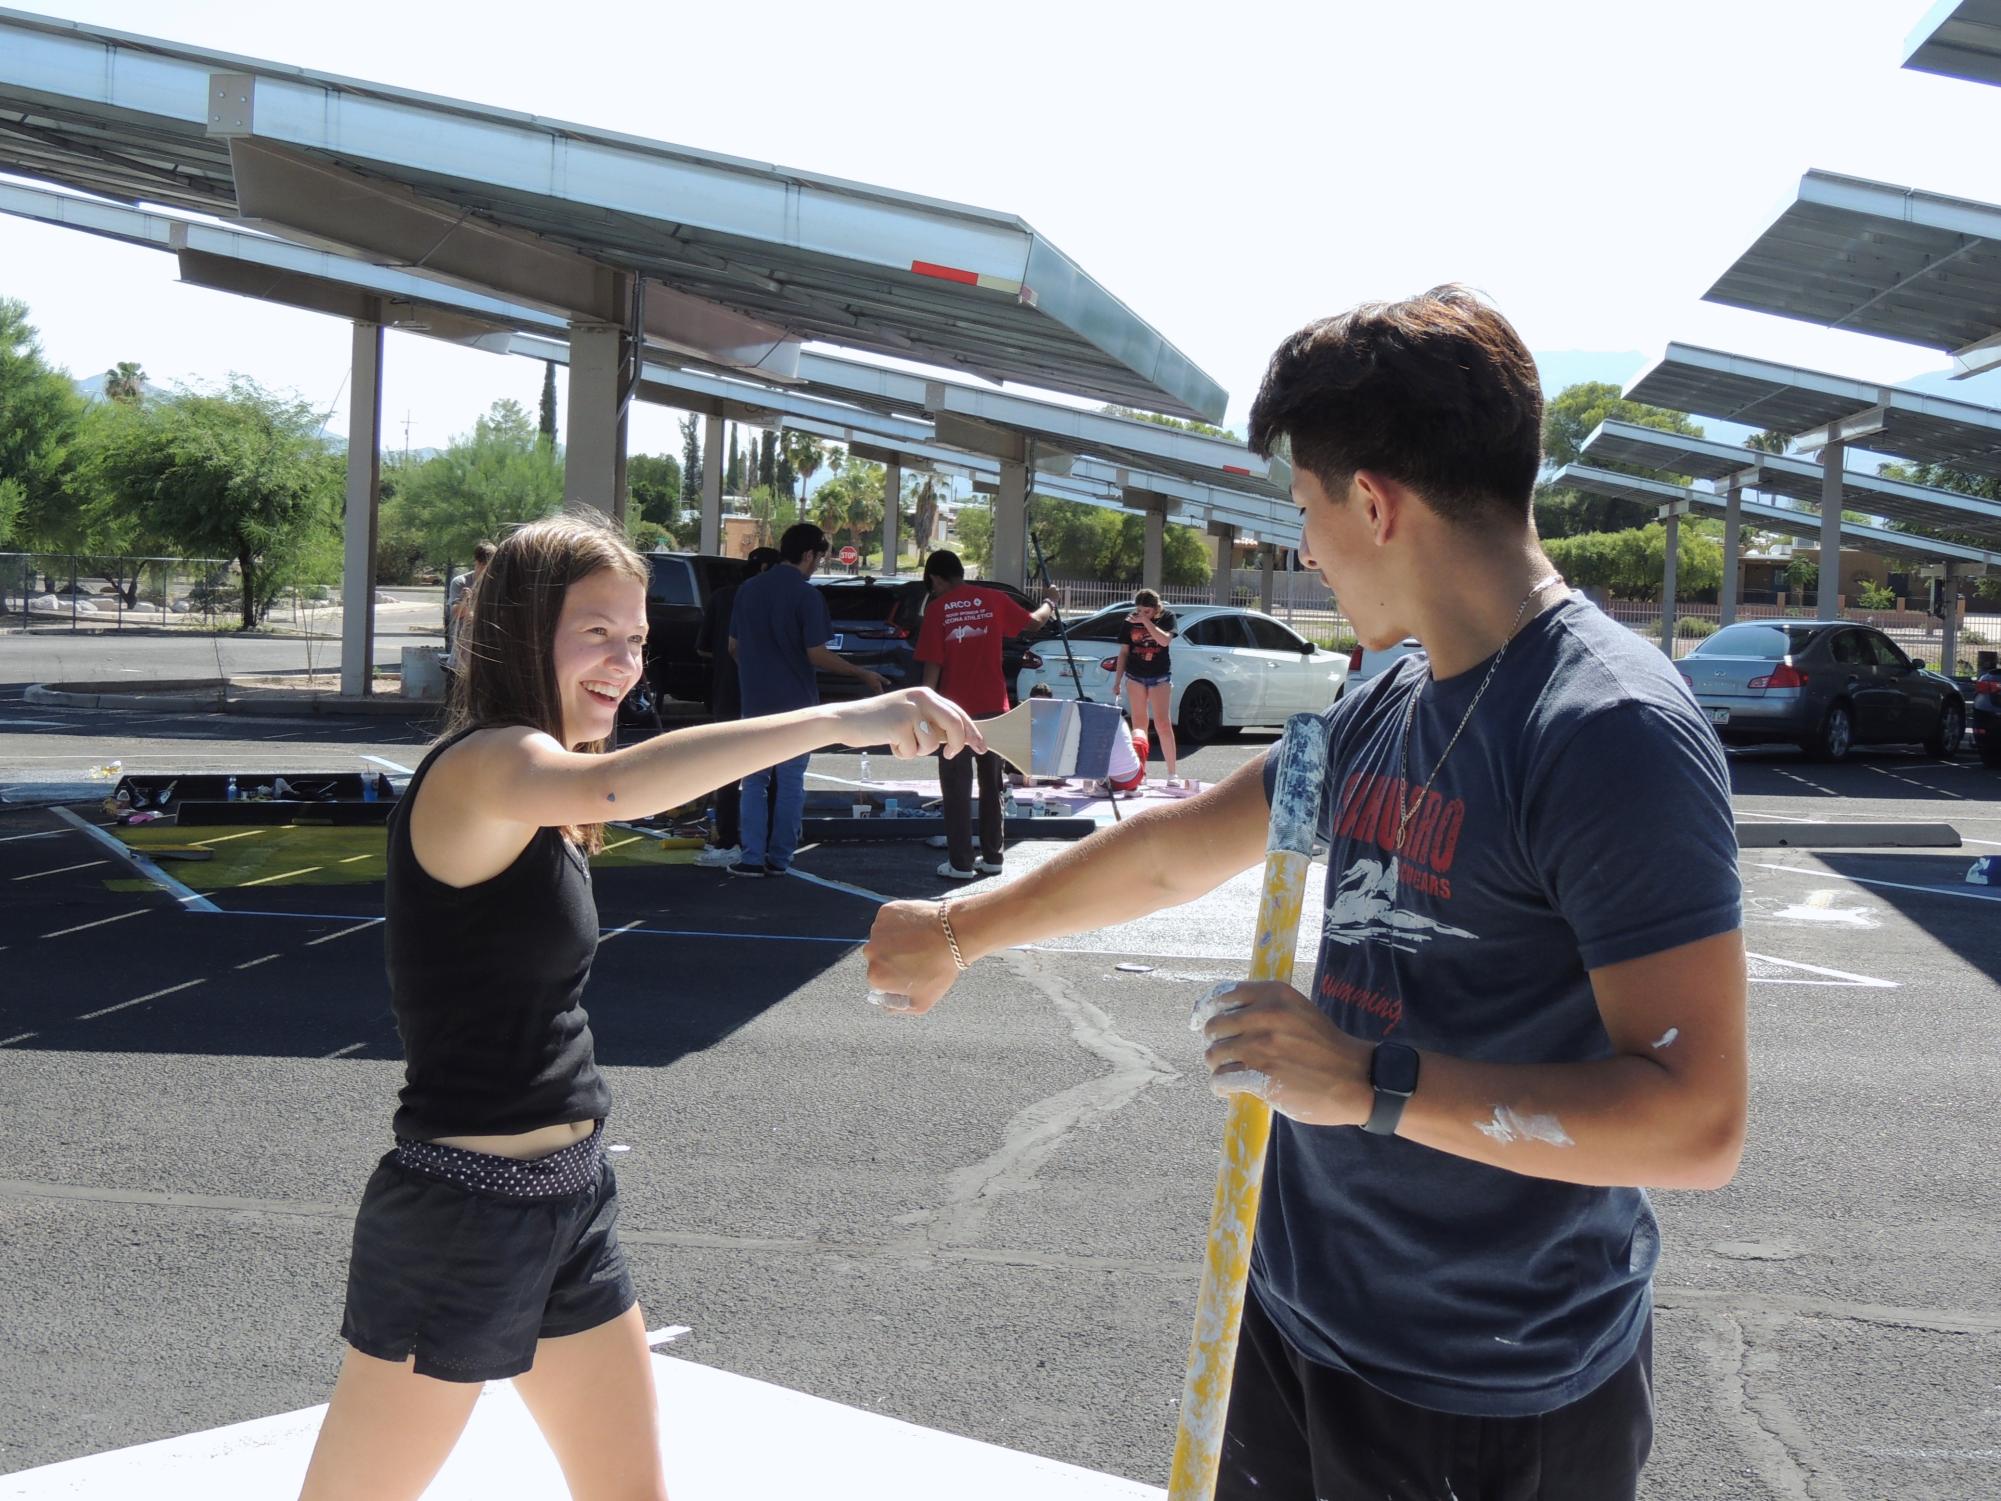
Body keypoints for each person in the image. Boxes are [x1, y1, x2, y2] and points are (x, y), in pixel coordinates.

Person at [864, 286, 1746, 1501]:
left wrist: (1370, 1082)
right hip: (1294, 1323)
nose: (1306, 549)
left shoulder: (1612, 730)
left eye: (1306, 512)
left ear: (1374, 503)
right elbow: (1183, 847)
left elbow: (1696, 1120)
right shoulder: (1390, 697)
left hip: (1489, 1390)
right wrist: (963, 931)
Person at [299, 513, 978, 1501]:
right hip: (463, 1220)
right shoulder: (488, 766)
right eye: (596, 634)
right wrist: (840, 718)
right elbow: (622, 785)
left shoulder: (545, 783)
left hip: (570, 1207)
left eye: (637, 639)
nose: (623, 664)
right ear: (526, 630)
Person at [727, 522, 885, 877]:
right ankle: (780, 858)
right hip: (797, 703)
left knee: (753, 782)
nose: (817, 566)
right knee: (790, 782)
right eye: (818, 558)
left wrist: (756, 671)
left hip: (754, 703)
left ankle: (751, 857)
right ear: (809, 554)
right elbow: (817, 654)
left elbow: (733, 647)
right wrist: (861, 674)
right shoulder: (806, 595)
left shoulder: (748, 590)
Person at [911, 549, 1058, 879]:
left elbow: (932, 666)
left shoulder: (937, 610)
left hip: (953, 712)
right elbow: (1033, 623)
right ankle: (993, 857)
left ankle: (961, 863)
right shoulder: (991, 598)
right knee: (992, 784)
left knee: (956, 786)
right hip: (995, 707)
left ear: (935, 577)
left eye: (930, 583)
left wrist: (926, 713)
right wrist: (1050, 601)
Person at [692, 546, 782, 868]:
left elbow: (704, 648)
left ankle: (728, 838)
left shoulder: (722, 597)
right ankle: (771, 839)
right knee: (770, 770)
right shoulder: (774, 599)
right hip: (767, 696)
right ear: (767, 569)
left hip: (727, 693)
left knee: (727, 769)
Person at [1112, 588, 1179, 782]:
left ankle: (1172, 773)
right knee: (1139, 724)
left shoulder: (1167, 617)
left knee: (1162, 723)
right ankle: (1140, 772)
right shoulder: (1130, 620)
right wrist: (1117, 681)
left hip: (1159, 676)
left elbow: (1164, 641)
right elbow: (1124, 651)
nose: (1141, 614)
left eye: (1147, 611)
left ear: (1156, 608)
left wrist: (1146, 622)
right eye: (1139, 610)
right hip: (1135, 675)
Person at [441, 541, 494, 697]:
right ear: (477, 563)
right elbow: (457, 612)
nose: (487, 573)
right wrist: (467, 602)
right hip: (461, 656)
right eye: (484, 567)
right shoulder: (461, 583)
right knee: (457, 702)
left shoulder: (496, 585)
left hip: (486, 657)